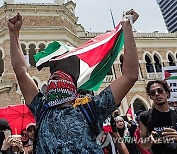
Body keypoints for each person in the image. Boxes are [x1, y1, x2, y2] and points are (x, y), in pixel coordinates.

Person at [8, 9, 139, 153]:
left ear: (73, 84)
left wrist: (127, 29)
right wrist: (14, 34)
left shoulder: (91, 108)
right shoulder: (42, 108)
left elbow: (129, 76)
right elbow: (21, 72)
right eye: (53, 76)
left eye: (61, 76)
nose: (55, 78)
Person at [139, 80, 177, 154]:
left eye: (160, 90)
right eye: (153, 93)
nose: (157, 94)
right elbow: (144, 145)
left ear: (167, 93)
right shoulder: (145, 116)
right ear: (151, 97)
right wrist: (150, 140)